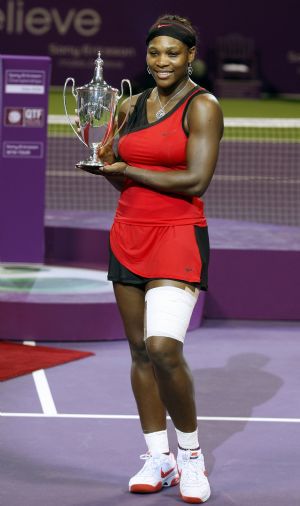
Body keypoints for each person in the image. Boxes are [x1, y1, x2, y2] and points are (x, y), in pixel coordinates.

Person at [97, 14, 223, 503]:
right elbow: (120, 175)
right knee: (139, 350)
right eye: (154, 53)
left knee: (164, 348)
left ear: (190, 55)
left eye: (172, 53)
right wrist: (106, 165)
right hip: (127, 232)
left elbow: (195, 181)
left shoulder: (203, 106)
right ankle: (158, 457)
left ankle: (191, 456)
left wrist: (129, 167)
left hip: (177, 237)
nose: (162, 61)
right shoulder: (128, 106)